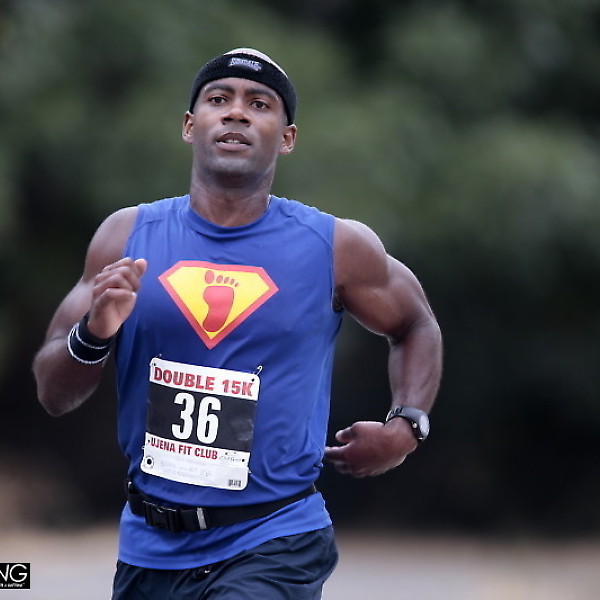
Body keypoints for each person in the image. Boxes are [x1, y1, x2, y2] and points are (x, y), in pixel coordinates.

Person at [33, 48, 442, 599]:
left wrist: (405, 428)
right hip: (149, 548)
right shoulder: (125, 238)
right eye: (218, 99)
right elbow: (53, 392)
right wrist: (94, 334)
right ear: (190, 125)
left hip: (274, 539)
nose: (236, 112)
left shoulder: (336, 247)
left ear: (287, 137)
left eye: (260, 104)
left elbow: (415, 324)